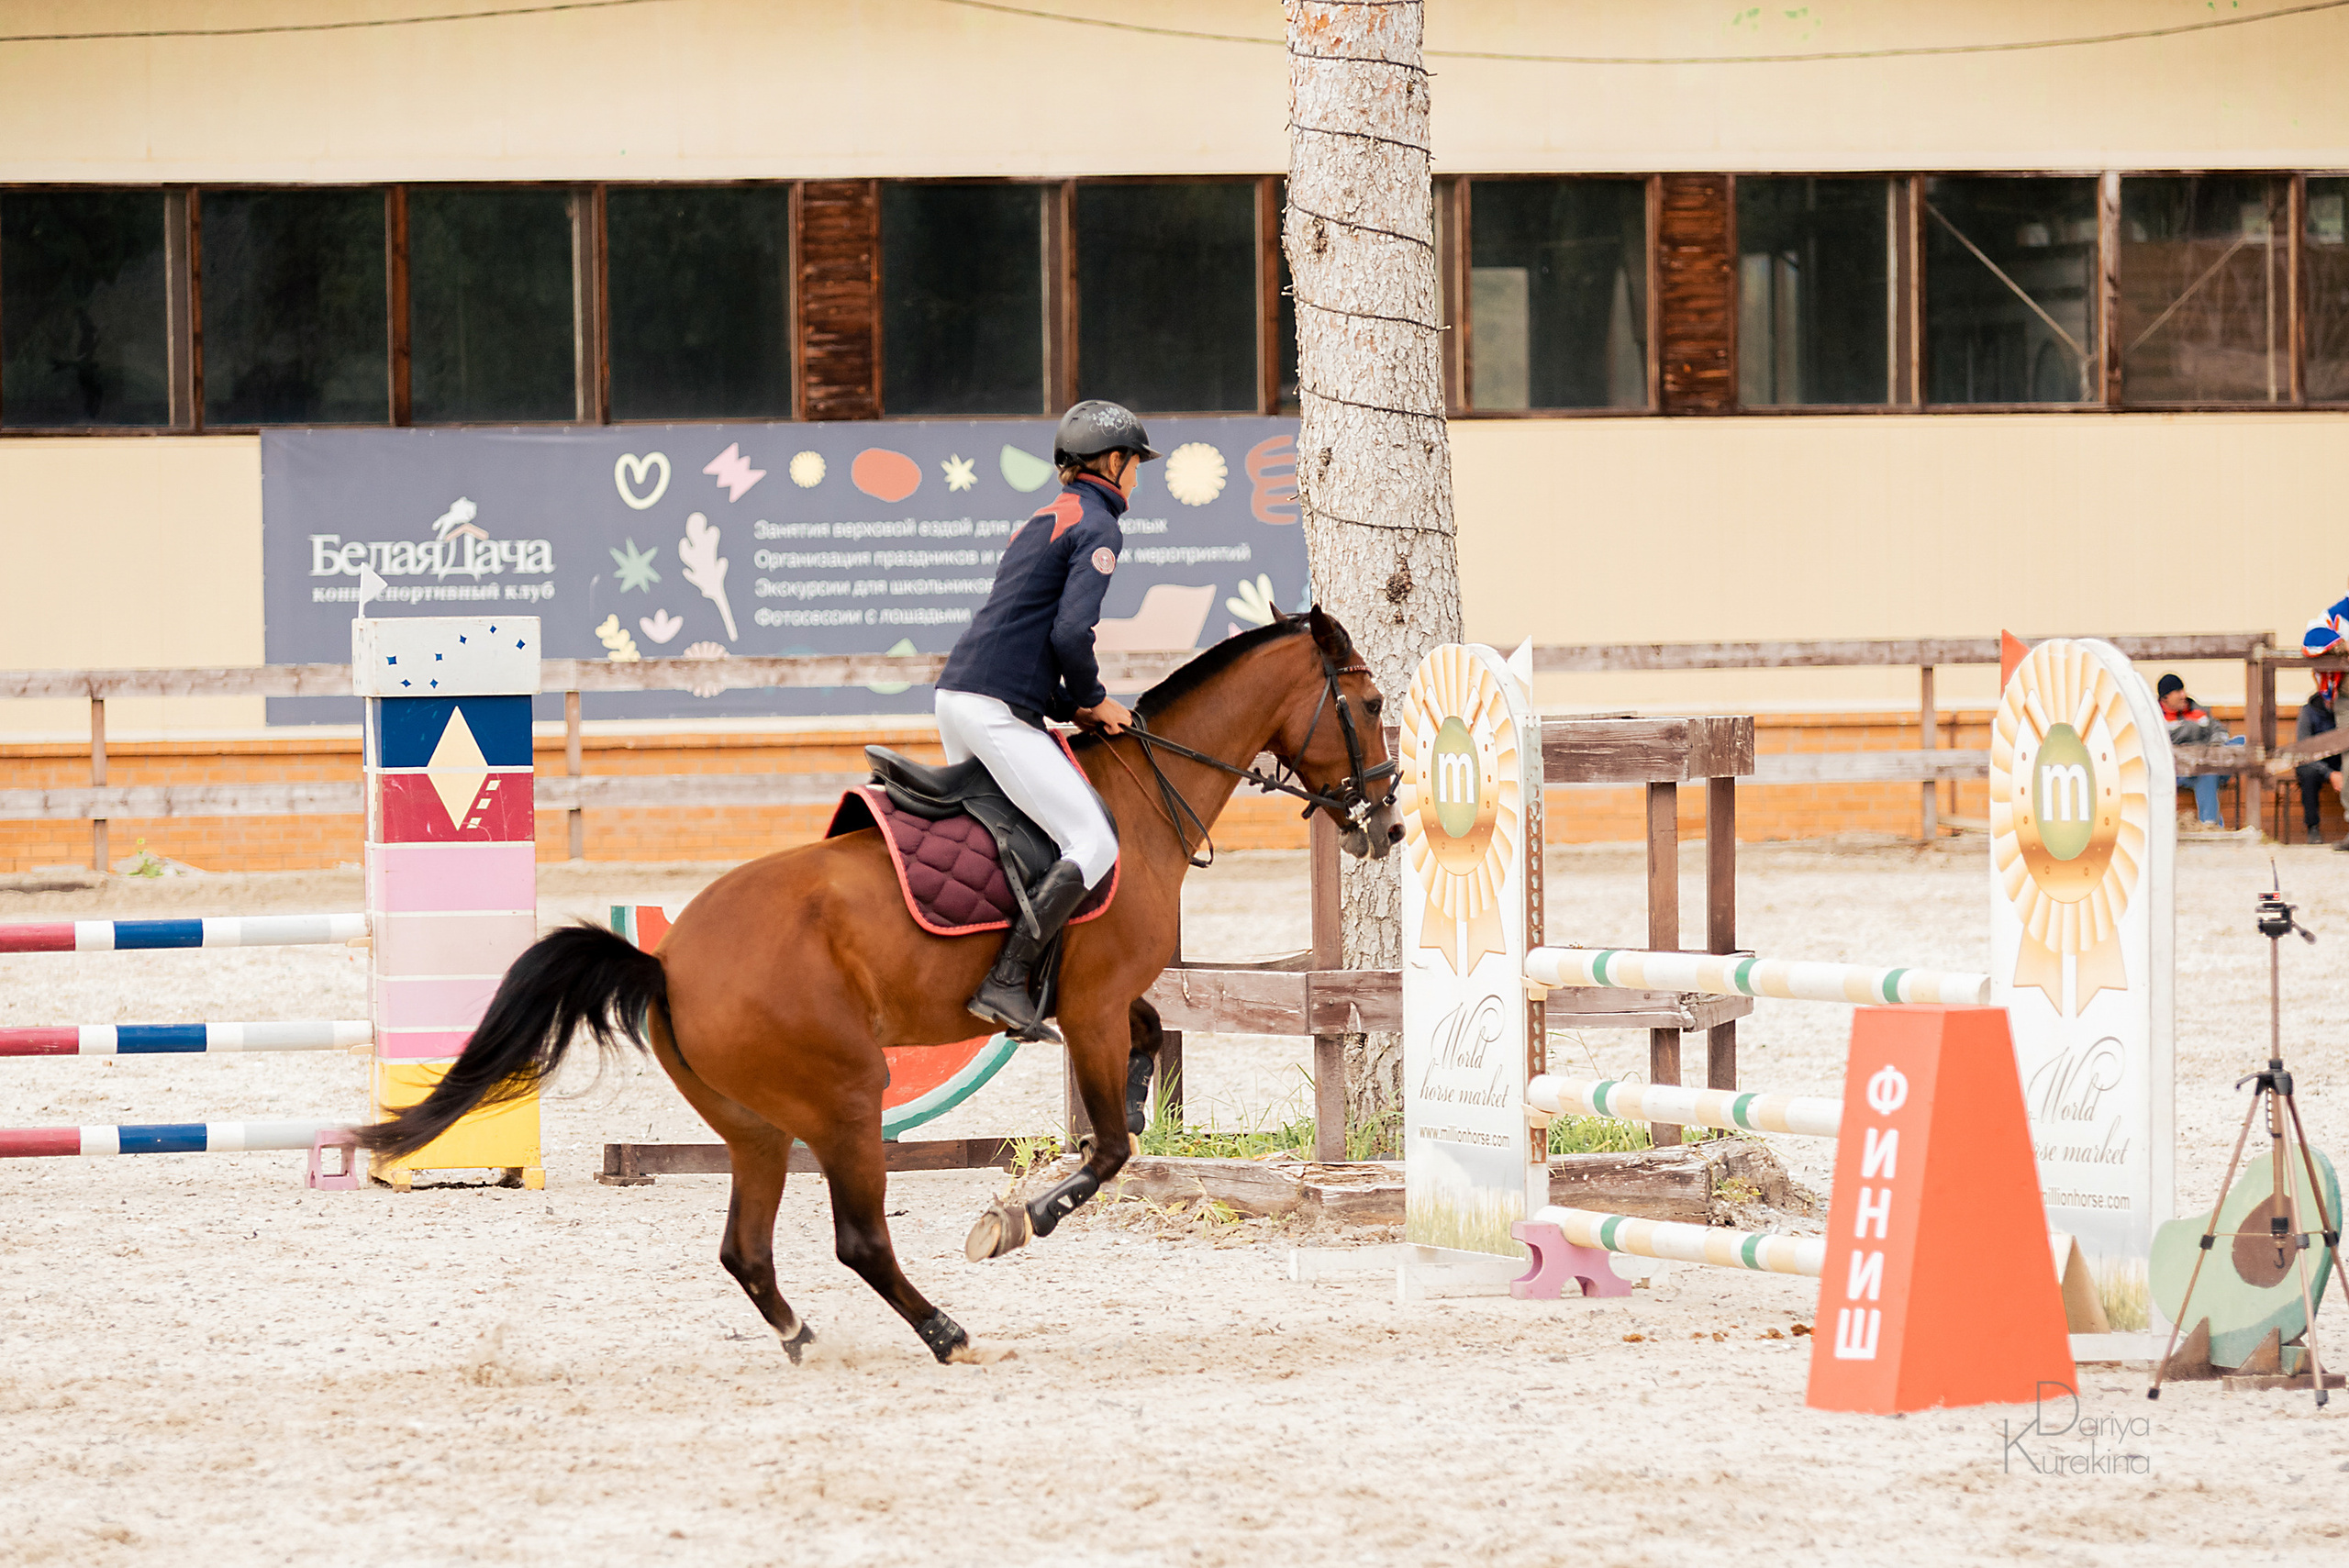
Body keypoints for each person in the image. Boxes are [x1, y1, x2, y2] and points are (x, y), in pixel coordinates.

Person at [932, 400, 1159, 1043]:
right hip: (995, 710)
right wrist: (1092, 698)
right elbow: (1068, 634)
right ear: (1112, 462)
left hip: (960, 695)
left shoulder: (1043, 518)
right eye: (1135, 463)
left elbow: (1022, 637)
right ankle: (1006, 980)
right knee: (1094, 842)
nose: (1137, 476)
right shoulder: (1100, 526)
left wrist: (1068, 706)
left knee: (1009, 840)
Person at [2157, 674, 2242, 828]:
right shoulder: (2156, 718)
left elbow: (2219, 730)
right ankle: (2211, 825)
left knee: (2241, 741)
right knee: (2207, 771)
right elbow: (2170, 738)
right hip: (2181, 771)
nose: (2183, 695)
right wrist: (2196, 728)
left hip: (2209, 760)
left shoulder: (2198, 710)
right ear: (2165, 698)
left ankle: (2211, 824)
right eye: (2178, 692)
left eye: (2183, 690)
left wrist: (2215, 744)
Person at [2300, 612, 2349, 847]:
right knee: (2307, 772)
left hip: (2338, 761)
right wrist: (2330, 774)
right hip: (2325, 765)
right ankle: (2313, 830)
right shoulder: (2309, 710)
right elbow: (2303, 751)